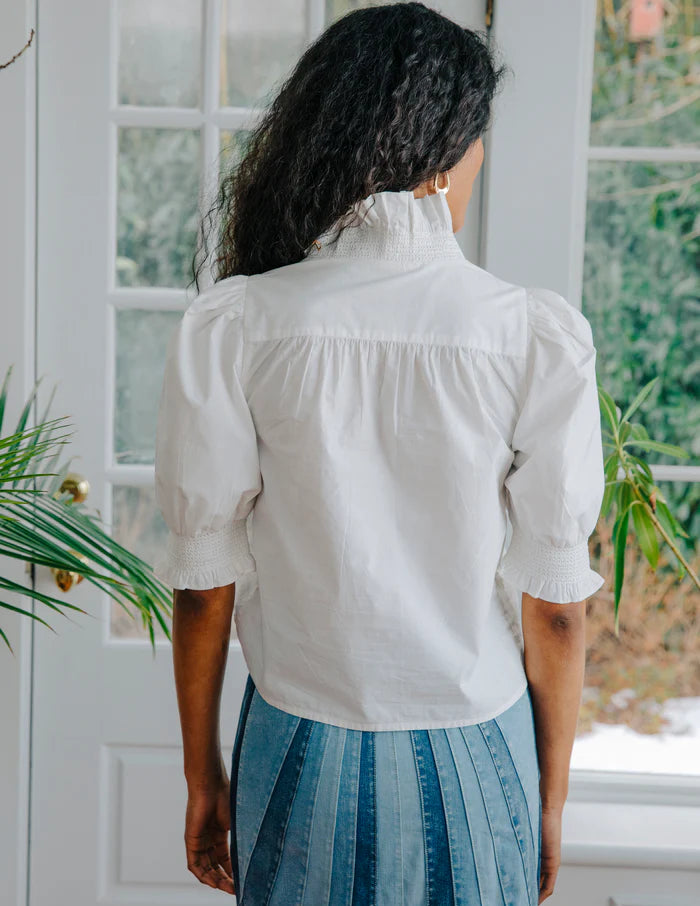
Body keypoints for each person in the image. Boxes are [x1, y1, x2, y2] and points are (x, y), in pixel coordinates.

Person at [153, 3, 606, 904]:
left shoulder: (239, 323)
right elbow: (555, 610)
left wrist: (204, 779)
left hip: (295, 743)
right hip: (480, 747)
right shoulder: (531, 337)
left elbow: (205, 584)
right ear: (450, 153)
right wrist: (549, 800)